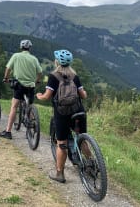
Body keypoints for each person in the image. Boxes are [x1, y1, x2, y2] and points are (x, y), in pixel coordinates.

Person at [36, 49, 87, 183]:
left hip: (62, 114)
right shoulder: (75, 76)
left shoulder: (53, 76)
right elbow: (84, 96)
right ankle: (92, 164)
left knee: (61, 144)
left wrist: (39, 96)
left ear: (56, 62)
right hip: (78, 111)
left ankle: (60, 174)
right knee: (82, 139)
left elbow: (47, 96)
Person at [0, 39, 42, 139]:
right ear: (30, 48)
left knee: (14, 106)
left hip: (19, 85)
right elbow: (40, 73)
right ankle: (31, 127)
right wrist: (37, 81)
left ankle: (8, 132)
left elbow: (8, 68)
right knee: (30, 106)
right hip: (31, 86)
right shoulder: (34, 58)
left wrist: (5, 78)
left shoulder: (16, 56)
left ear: (21, 47)